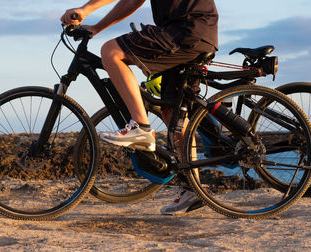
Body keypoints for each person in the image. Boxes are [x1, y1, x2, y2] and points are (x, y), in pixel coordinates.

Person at [61, 0, 218, 215]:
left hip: (185, 31)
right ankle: (192, 187)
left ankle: (141, 127)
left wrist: (86, 11)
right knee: (172, 114)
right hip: (196, 33)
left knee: (111, 51)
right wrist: (96, 26)